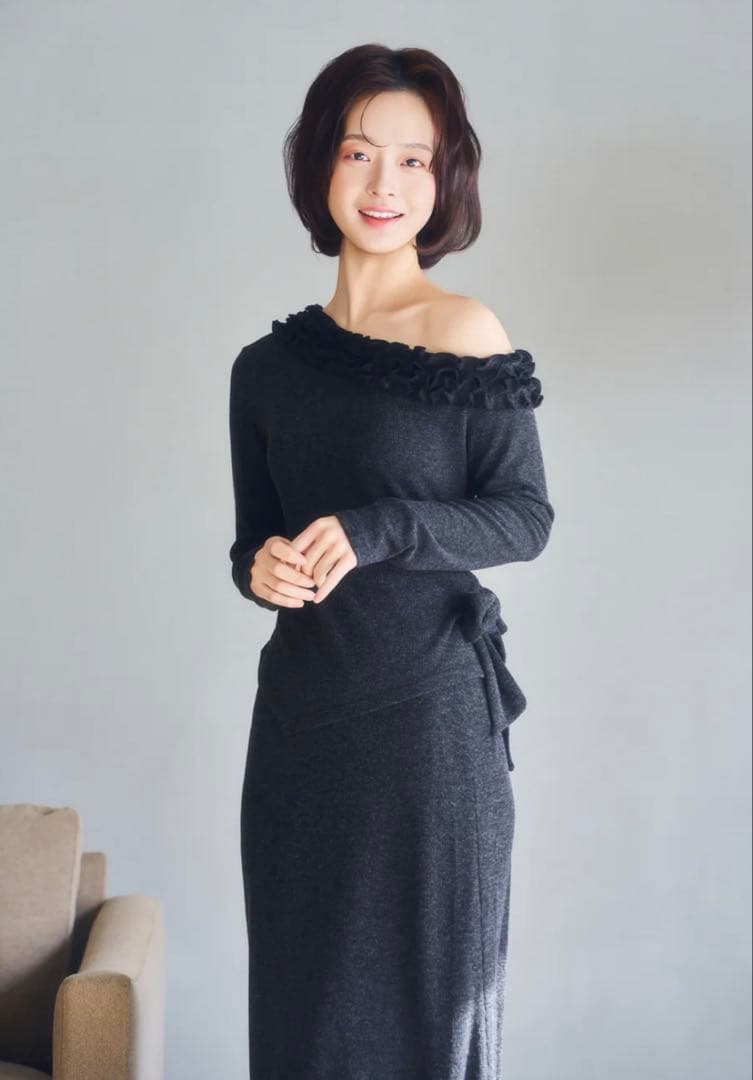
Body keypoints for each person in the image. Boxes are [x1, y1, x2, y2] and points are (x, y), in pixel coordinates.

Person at [228, 42, 555, 1080]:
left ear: (445, 178)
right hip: (300, 732)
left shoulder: (464, 333)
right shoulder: (265, 370)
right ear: (320, 164)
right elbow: (252, 536)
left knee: (429, 1020)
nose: (385, 184)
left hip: (429, 732)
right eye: (360, 152)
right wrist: (258, 568)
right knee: (302, 1022)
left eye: (414, 160)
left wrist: (379, 529)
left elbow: (524, 519)